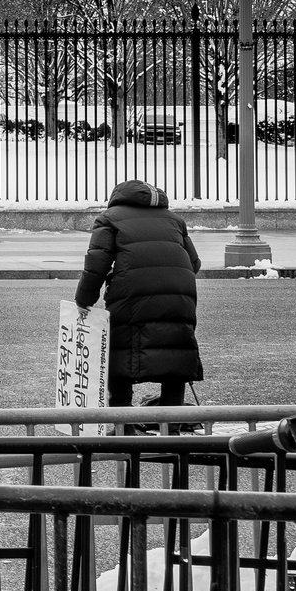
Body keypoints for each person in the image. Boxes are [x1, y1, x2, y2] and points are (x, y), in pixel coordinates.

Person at [75, 179, 203, 420]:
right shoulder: (175, 220)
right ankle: (172, 428)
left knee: (121, 353)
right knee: (175, 352)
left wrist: (84, 299)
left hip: (131, 295)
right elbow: (194, 263)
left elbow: (97, 264)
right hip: (179, 295)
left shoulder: (109, 218)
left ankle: (124, 425)